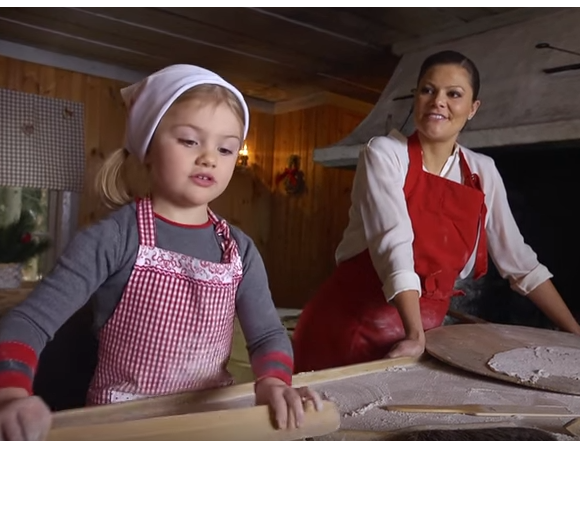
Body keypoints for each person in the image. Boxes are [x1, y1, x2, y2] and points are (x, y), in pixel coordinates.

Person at [0, 64, 322, 441]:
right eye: (189, 141)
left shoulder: (239, 250)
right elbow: (29, 322)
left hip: (210, 423)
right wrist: (10, 394)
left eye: (225, 147)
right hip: (124, 425)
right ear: (148, 148)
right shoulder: (114, 238)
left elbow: (268, 334)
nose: (208, 158)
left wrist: (273, 381)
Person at [292, 50, 580, 373]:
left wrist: (574, 333)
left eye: (453, 94)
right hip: (346, 330)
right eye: (428, 90)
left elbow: (521, 264)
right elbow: (394, 245)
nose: (438, 101)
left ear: (473, 109)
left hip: (417, 337)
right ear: (416, 97)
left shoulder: (483, 172)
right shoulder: (385, 154)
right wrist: (415, 334)